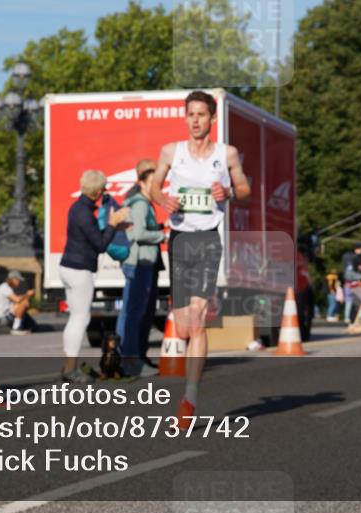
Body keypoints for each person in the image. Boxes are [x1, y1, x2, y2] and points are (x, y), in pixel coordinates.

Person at [151, 90, 250, 427]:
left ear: (211, 118)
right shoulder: (171, 151)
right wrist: (164, 200)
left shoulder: (227, 154)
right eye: (190, 114)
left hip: (208, 238)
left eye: (201, 115)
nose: (195, 120)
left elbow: (246, 189)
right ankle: (189, 392)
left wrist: (230, 192)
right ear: (185, 117)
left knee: (196, 318)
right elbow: (152, 186)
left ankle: (189, 399)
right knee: (181, 326)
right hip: (179, 240)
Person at [58, 170, 130, 383]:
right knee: (81, 318)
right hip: (80, 270)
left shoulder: (77, 208)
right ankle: (70, 370)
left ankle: (67, 366)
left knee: (75, 318)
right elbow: (99, 245)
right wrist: (113, 223)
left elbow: (91, 235)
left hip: (68, 267)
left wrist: (115, 226)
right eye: (104, 189)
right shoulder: (84, 212)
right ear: (98, 191)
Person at [115, 165, 165, 376]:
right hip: (139, 262)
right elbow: (138, 233)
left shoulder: (143, 203)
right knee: (135, 313)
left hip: (142, 262)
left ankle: (134, 358)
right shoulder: (141, 205)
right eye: (153, 182)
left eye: (159, 183)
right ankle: (131, 361)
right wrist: (163, 236)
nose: (157, 186)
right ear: (142, 183)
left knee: (136, 312)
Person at [341, 244, 361, 324]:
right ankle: (359, 317)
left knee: (349, 301)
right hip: (356, 283)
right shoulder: (357, 258)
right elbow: (359, 269)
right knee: (359, 301)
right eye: (360, 249)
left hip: (347, 283)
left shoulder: (347, 259)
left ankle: (347, 317)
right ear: (357, 249)